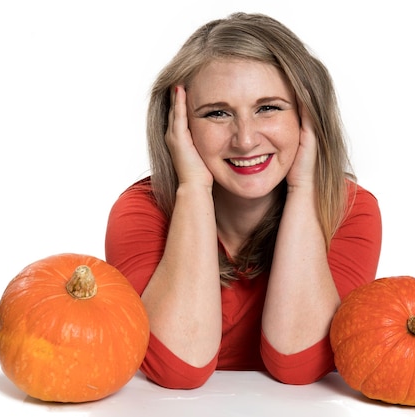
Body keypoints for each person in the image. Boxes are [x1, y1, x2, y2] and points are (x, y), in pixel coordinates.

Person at [105, 12, 382, 389]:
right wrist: (192, 189)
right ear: (180, 126)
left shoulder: (349, 210)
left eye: (268, 107)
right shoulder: (141, 212)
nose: (246, 139)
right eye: (217, 113)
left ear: (308, 116)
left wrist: (304, 189)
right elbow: (178, 367)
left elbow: (299, 364)